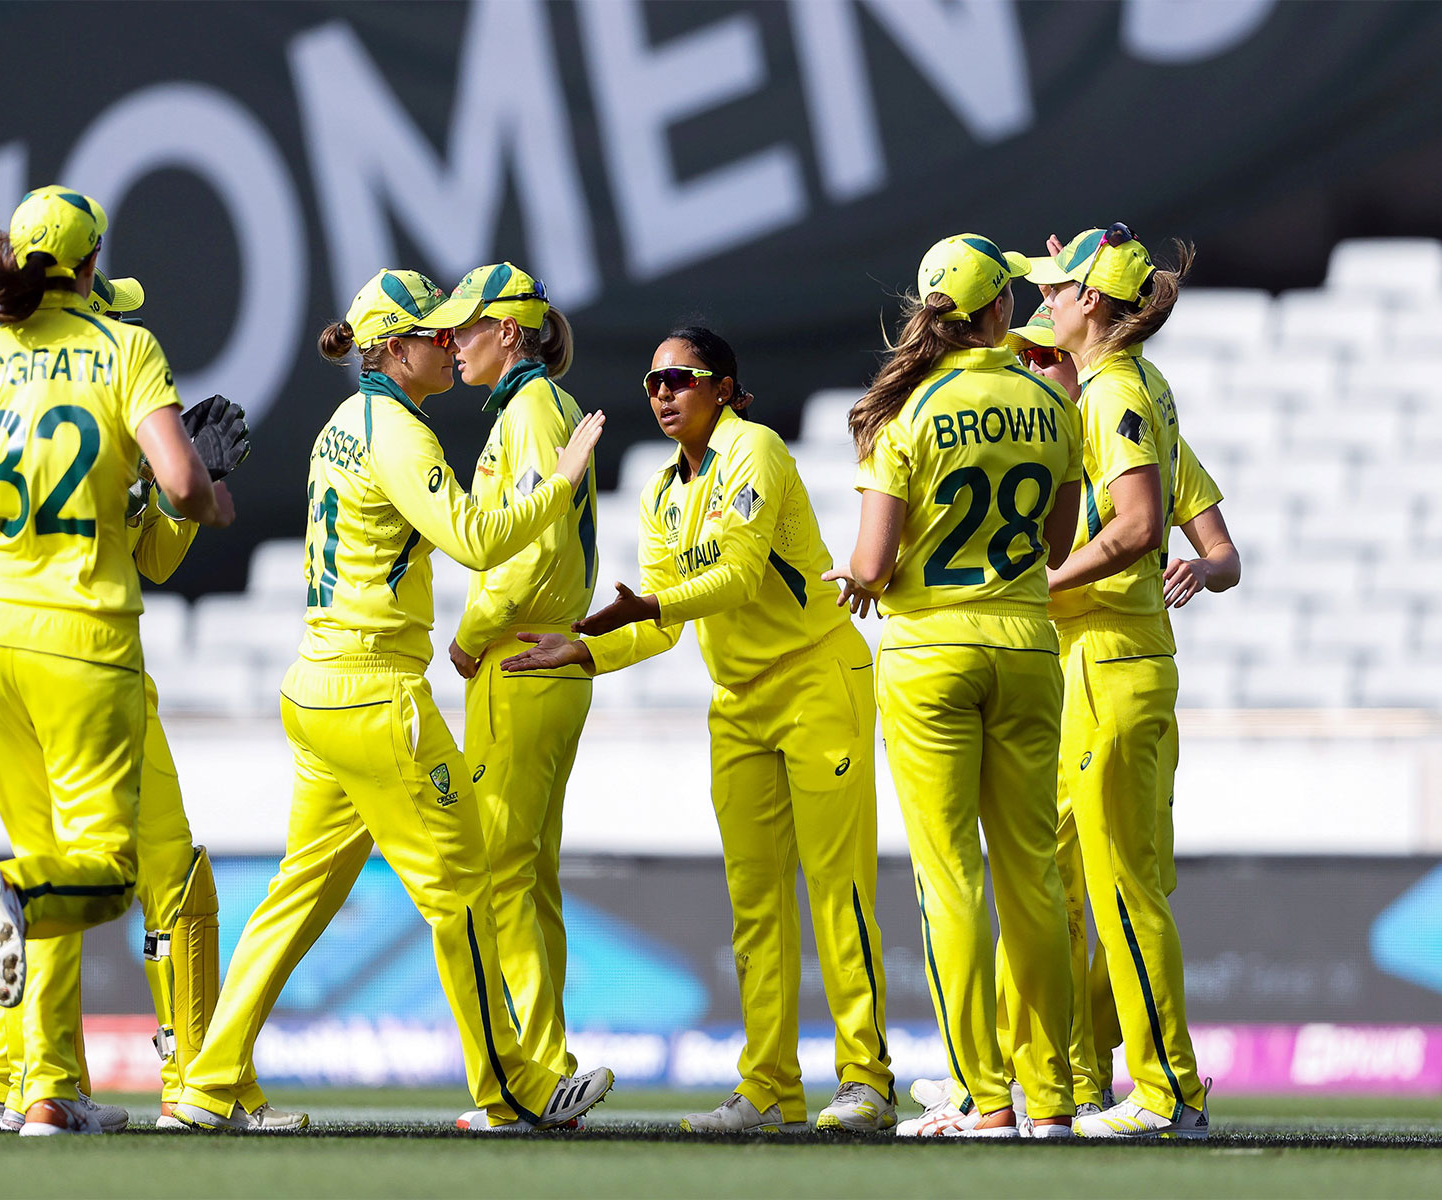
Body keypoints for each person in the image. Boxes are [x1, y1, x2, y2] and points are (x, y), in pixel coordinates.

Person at [172, 269, 613, 1134]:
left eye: (453, 330)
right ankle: (513, 1087)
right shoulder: (398, 436)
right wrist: (558, 482)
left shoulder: (343, 424)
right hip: (377, 697)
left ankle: (206, 1080)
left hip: (317, 687)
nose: (449, 344)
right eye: (433, 334)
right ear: (390, 349)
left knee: (299, 892)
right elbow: (477, 538)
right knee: (467, 886)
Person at [0, 187, 232, 1136]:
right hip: (82, 640)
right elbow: (181, 484)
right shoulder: (126, 349)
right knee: (95, 879)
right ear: (88, 270)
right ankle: (15, 913)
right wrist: (205, 502)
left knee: (50, 858)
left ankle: (37, 1088)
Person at [503, 326, 896, 1134]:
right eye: (653, 382)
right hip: (739, 701)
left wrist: (651, 605)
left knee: (837, 887)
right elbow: (659, 625)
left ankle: (866, 1081)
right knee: (754, 903)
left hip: (819, 675)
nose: (663, 393)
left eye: (681, 379)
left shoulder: (755, 449)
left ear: (724, 387)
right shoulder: (658, 490)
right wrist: (587, 648)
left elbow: (739, 575)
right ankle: (771, 1088)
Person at [0, 274, 250, 1134]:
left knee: (51, 871)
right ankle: (192, 1088)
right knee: (159, 879)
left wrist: (181, 491)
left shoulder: (11, 386)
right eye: (116, 309)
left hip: (11, 657)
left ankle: (10, 1081)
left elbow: (156, 552)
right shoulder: (118, 385)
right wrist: (197, 479)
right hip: (95, 669)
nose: (131, 322)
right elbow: (169, 530)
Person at [827, 235, 1082, 1139]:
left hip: (929, 653)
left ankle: (983, 1098)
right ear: (999, 310)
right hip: (1025, 646)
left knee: (951, 884)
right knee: (1033, 882)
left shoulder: (907, 411)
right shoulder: (1056, 406)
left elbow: (870, 563)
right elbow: (1055, 551)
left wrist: (869, 580)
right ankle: (1051, 1099)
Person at [1001, 303, 1240, 1111]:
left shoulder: (1119, 403)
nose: (1032, 368)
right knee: (1063, 888)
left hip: (1112, 663)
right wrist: (1207, 570)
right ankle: (1069, 1081)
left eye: (1040, 355)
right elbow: (1220, 553)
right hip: (1081, 669)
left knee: (1122, 893)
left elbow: (1209, 550)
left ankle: (1167, 1086)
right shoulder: (1116, 406)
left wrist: (1035, 586)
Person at [431, 264, 597, 1110]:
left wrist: (467, 636)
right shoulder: (544, 410)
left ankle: (530, 1077)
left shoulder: (529, 413)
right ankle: (549, 1061)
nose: (453, 342)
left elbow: (527, 547)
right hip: (547, 666)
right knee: (531, 878)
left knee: (497, 874)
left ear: (510, 332)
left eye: (466, 327)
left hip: (516, 660)